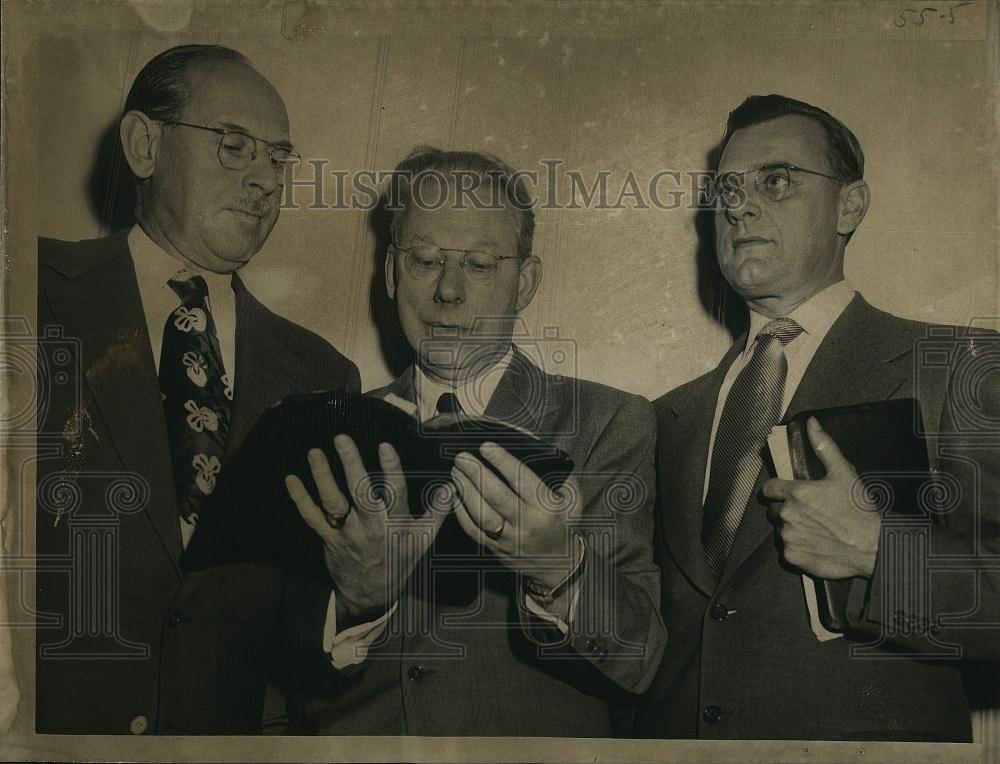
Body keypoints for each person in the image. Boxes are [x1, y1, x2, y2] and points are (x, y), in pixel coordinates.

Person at [633, 94, 1000, 741]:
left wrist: (882, 553)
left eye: (776, 180)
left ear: (850, 204)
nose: (740, 206)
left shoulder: (958, 367)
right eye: (726, 190)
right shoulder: (669, 415)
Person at [282, 148, 667, 736]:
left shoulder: (608, 423)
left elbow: (640, 660)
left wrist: (559, 569)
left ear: (526, 281)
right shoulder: (329, 431)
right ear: (391, 272)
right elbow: (269, 667)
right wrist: (355, 606)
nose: (449, 291)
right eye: (426, 260)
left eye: (482, 265)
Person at [35, 44, 359, 734]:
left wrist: (365, 596)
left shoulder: (321, 374)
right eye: (234, 146)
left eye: (278, 157)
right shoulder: (27, 295)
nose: (265, 180)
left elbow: (298, 626)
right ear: (144, 145)